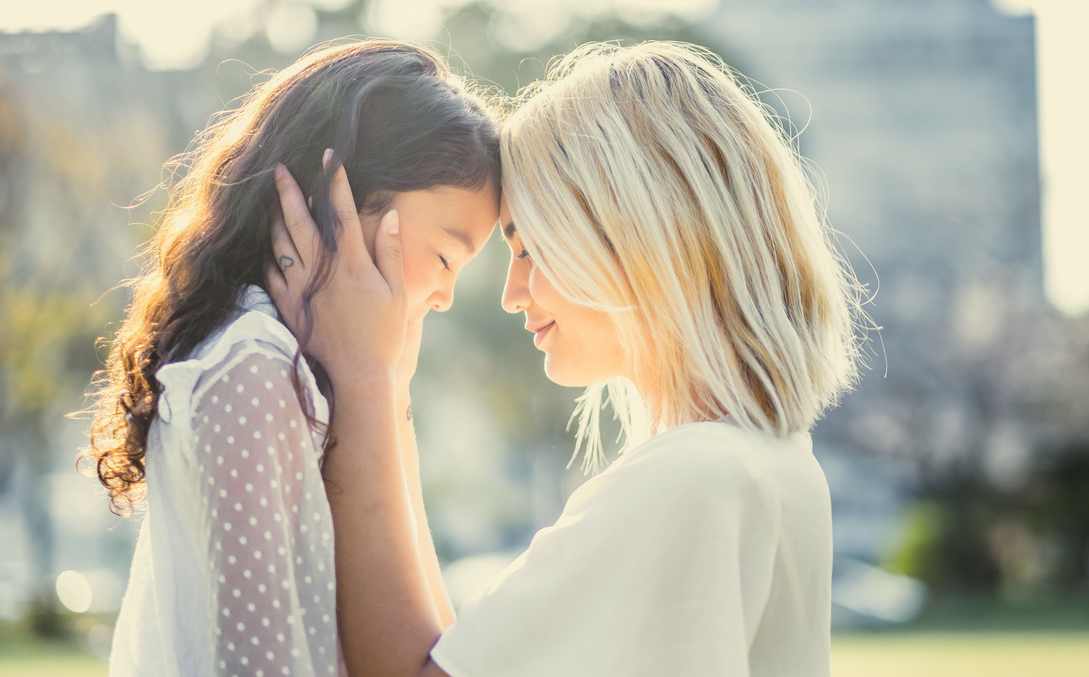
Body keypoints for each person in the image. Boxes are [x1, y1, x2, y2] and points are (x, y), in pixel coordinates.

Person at [268, 41, 865, 676]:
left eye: (530, 249)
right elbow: (451, 659)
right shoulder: (771, 462)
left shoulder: (690, 480)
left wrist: (365, 383)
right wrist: (390, 395)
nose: (512, 293)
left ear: (630, 234)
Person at [85, 39, 501, 677]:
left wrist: (384, 389)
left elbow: (427, 649)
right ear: (342, 196)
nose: (444, 297)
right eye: (446, 258)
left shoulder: (311, 372)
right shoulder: (252, 368)